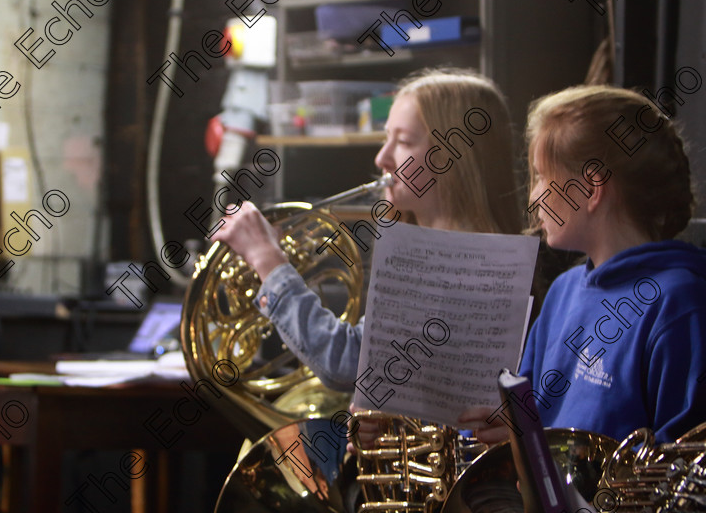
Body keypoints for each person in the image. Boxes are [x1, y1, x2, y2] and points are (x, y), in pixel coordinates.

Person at [211, 68, 523, 391]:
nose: (381, 158)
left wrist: (267, 260)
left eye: (402, 141)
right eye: (385, 138)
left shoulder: (467, 266)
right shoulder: (414, 251)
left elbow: (348, 364)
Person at [462, 84, 706, 445]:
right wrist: (503, 432)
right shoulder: (564, 289)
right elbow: (530, 420)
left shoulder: (680, 304)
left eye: (542, 175)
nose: (533, 197)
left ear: (591, 189)